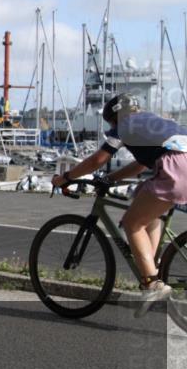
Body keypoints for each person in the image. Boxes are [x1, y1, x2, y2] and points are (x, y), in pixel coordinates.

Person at [51, 93, 185, 314]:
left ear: (115, 117)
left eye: (110, 123)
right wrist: (110, 179)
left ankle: (152, 284)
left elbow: (98, 160)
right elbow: (140, 165)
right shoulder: (152, 122)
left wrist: (66, 177)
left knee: (132, 224)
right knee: (143, 198)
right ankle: (151, 268)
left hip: (176, 169)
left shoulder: (124, 125)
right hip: (182, 163)